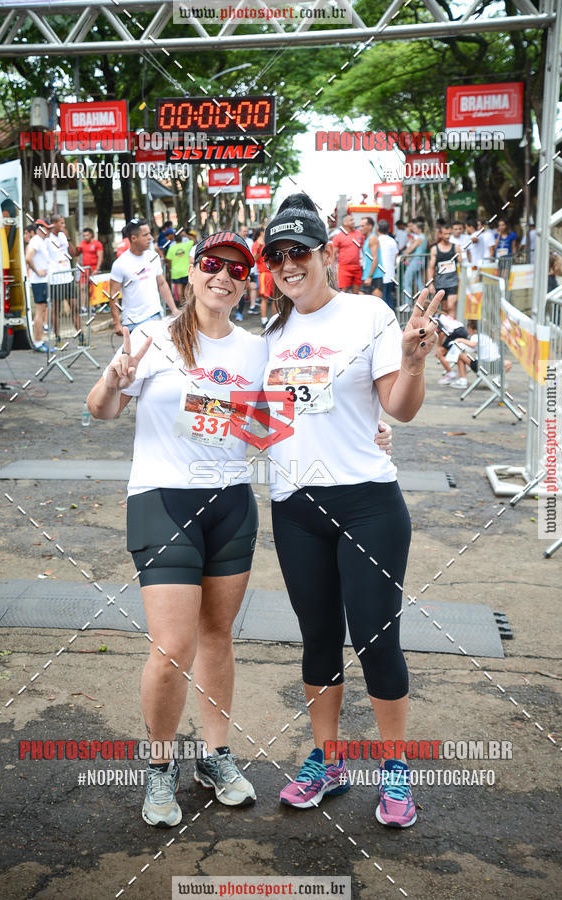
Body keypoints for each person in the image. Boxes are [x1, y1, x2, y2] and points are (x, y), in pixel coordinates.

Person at [261, 192, 442, 829]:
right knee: (317, 642)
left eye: (299, 251)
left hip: (367, 505)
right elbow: (262, 420)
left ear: (325, 254)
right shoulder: (272, 333)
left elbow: (400, 406)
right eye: (277, 254)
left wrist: (415, 362)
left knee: (375, 638)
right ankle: (327, 760)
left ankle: (395, 770)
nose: (288, 263)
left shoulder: (368, 314)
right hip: (295, 509)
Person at [87, 231, 267, 827]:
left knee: (217, 636)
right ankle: (159, 767)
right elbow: (101, 409)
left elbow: (273, 427)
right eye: (212, 265)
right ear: (193, 275)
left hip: (231, 503)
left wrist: (374, 432)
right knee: (171, 647)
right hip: (162, 501)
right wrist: (114, 379)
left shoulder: (256, 349)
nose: (223, 276)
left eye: (236, 270)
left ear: (247, 284)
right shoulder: (153, 337)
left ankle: (216, 756)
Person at [109, 218, 177, 335]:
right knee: (136, 353)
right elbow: (113, 295)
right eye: (145, 235)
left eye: (150, 233)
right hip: (133, 322)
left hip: (156, 315)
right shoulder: (120, 264)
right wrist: (116, 323)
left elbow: (162, 284)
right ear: (134, 238)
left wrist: (174, 309)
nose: (150, 237)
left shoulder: (153, 256)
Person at [48, 214, 81, 343]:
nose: (64, 225)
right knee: (56, 310)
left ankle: (81, 336)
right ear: (54, 224)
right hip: (56, 279)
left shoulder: (63, 236)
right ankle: (57, 337)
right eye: (61, 223)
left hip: (68, 277)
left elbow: (73, 253)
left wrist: (68, 238)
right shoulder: (48, 239)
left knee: (74, 306)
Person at [452, 319, 511, 389]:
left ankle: (462, 380)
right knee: (508, 363)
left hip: (481, 366)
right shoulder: (490, 337)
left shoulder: (476, 336)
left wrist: (461, 340)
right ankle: (497, 380)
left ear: (474, 330)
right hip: (494, 366)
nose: (467, 331)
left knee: (461, 356)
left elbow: (473, 344)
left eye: (468, 329)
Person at [25, 219, 52, 352]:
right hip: (39, 281)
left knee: (42, 311)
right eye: (46, 228)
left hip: (42, 281)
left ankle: (39, 341)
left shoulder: (41, 241)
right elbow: (28, 258)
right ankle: (38, 341)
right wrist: (37, 271)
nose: (48, 231)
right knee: (40, 312)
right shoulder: (36, 241)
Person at [427, 222, 462, 316]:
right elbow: (431, 268)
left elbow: (462, 263)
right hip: (440, 283)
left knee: (452, 306)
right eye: (445, 234)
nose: (447, 236)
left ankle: (453, 330)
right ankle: (447, 329)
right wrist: (430, 284)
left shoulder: (455, 247)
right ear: (440, 234)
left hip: (452, 282)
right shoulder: (435, 249)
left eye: (449, 234)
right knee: (445, 308)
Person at [330, 214, 363, 294]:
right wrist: (332, 270)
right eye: (351, 220)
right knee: (343, 292)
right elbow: (333, 254)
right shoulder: (338, 236)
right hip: (344, 268)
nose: (353, 222)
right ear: (345, 223)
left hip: (357, 267)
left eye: (353, 220)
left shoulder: (359, 234)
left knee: (356, 293)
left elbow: (363, 249)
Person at [434, 312, 468, 383]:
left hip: (456, 332)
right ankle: (464, 366)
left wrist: (439, 346)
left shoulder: (435, 318)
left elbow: (442, 333)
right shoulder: (441, 314)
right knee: (452, 353)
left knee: (439, 353)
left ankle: (451, 374)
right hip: (462, 330)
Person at [251, 228, 275, 327]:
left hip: (273, 273)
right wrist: (259, 248)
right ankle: (264, 320)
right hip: (264, 274)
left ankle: (275, 319)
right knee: (264, 298)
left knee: (276, 298)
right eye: (265, 231)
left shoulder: (268, 242)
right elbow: (254, 259)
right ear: (261, 232)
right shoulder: (256, 243)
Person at [165, 230, 194, 307]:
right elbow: (194, 240)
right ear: (182, 238)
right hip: (185, 271)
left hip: (176, 272)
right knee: (186, 289)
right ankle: (187, 304)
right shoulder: (186, 245)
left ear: (174, 239)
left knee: (179, 288)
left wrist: (168, 271)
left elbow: (168, 261)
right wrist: (186, 235)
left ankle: (181, 304)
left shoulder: (171, 248)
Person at [401, 219, 428, 303]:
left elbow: (410, 249)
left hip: (416, 261)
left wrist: (403, 256)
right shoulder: (423, 237)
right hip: (420, 261)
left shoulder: (420, 238)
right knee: (419, 282)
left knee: (406, 281)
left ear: (419, 229)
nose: (413, 229)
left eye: (415, 228)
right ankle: (424, 302)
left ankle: (407, 304)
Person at [77, 227, 104, 307]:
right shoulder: (82, 243)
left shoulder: (97, 244)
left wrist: (97, 269)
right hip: (84, 269)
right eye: (84, 236)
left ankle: (96, 306)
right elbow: (77, 254)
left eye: (87, 235)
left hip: (94, 268)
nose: (85, 237)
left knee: (94, 288)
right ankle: (83, 307)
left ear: (91, 235)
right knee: (82, 288)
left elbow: (100, 257)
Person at [359, 217, 383, 297]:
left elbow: (375, 258)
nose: (360, 228)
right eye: (360, 226)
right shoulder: (366, 239)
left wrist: (370, 277)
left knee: (377, 305)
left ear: (370, 226)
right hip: (367, 275)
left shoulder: (372, 238)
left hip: (374, 276)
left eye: (362, 226)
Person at [377, 220, 397, 310]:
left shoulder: (376, 240)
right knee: (389, 296)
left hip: (379, 274)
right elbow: (395, 256)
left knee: (382, 298)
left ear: (377, 229)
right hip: (390, 273)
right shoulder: (392, 240)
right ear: (388, 229)